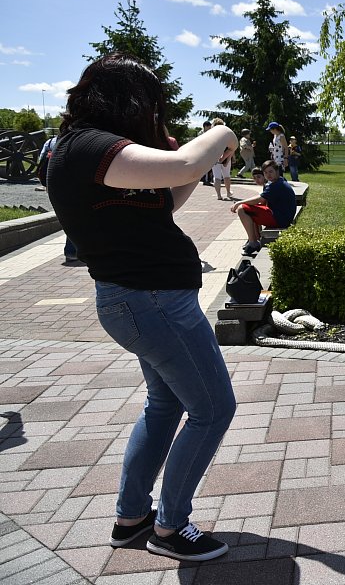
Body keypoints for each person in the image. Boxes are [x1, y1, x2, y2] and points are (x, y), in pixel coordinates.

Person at [46, 53, 237, 561]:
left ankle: (132, 517)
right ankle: (171, 529)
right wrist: (221, 133)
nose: (157, 114)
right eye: (152, 104)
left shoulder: (92, 152)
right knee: (214, 409)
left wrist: (192, 167)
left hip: (144, 303)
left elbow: (164, 201)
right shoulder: (88, 148)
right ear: (128, 100)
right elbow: (185, 164)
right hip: (153, 305)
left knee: (166, 404)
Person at [231, 160, 296, 256]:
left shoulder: (276, 185)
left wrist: (239, 202)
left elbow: (260, 199)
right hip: (282, 217)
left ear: (277, 171)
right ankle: (255, 240)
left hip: (279, 219)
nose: (268, 175)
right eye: (265, 172)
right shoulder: (280, 181)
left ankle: (253, 243)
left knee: (242, 209)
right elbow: (262, 202)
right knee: (251, 210)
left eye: (271, 171)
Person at [37, 133, 79, 263]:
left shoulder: (50, 142)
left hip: (53, 184)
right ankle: (72, 250)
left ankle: (72, 250)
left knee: (66, 217)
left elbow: (41, 161)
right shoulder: (76, 141)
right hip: (73, 184)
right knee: (76, 217)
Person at [210, 118, 234, 201]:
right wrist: (228, 159)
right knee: (226, 176)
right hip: (226, 156)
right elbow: (232, 147)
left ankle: (219, 195)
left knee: (217, 177)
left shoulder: (211, 135)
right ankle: (228, 192)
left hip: (214, 157)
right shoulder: (227, 134)